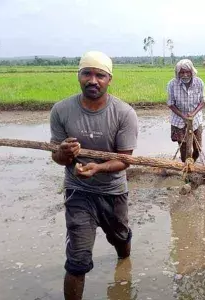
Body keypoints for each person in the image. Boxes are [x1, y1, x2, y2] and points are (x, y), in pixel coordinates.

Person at [49, 50, 139, 300]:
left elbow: (125, 160)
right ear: (78, 75)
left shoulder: (124, 113)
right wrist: (64, 154)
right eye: (87, 73)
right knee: (77, 259)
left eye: (100, 75)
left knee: (119, 238)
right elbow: (56, 157)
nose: (93, 80)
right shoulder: (61, 110)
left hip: (112, 191)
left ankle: (124, 258)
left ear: (109, 79)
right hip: (78, 190)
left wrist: (98, 167)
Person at [167, 59, 205, 163]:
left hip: (196, 119)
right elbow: (170, 104)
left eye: (187, 72)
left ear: (192, 71)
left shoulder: (199, 83)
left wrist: (193, 113)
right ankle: (186, 166)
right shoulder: (172, 84)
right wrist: (183, 116)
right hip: (179, 120)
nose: (185, 75)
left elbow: (203, 102)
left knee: (198, 148)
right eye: (182, 72)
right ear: (178, 73)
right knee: (183, 149)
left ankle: (192, 162)